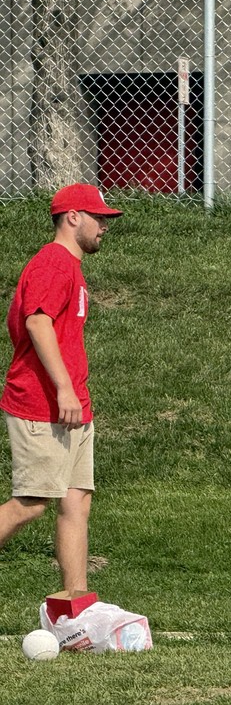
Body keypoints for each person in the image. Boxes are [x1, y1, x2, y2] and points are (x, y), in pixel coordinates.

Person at [0, 183, 123, 592]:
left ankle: (76, 605)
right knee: (30, 505)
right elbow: (36, 322)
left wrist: (75, 396)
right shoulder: (53, 262)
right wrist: (64, 389)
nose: (104, 225)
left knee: (76, 502)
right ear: (73, 217)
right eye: (98, 217)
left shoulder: (70, 266)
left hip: (73, 408)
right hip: (43, 404)